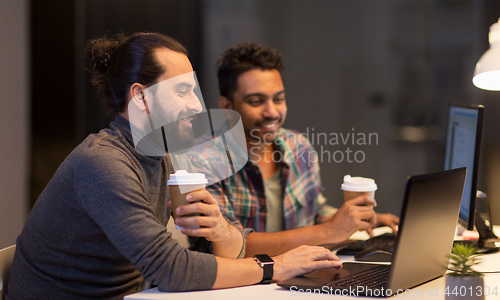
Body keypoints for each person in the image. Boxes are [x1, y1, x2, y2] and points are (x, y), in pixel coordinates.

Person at [5, 33, 342, 300]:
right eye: (182, 91)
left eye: (194, 91)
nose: (197, 105)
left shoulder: (165, 154)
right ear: (140, 97)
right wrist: (276, 266)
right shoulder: (103, 162)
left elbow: (219, 249)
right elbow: (172, 270)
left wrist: (221, 231)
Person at [189, 42, 399, 257]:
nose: (271, 112)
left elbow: (315, 213)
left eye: (278, 99)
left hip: (299, 277)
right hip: (238, 285)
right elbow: (228, 246)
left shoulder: (298, 146)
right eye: (256, 101)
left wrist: (353, 219)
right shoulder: (201, 162)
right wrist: (329, 231)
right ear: (227, 107)